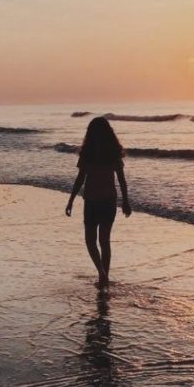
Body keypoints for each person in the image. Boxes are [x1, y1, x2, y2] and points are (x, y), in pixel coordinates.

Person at [65, 117, 131, 289]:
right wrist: (126, 201)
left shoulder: (87, 153)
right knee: (105, 241)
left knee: (90, 240)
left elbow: (80, 180)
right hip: (109, 201)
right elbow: (122, 181)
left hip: (92, 202)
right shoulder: (114, 153)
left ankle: (102, 273)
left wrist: (71, 200)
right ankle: (105, 276)